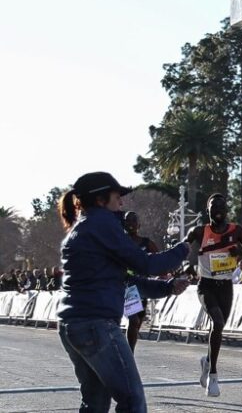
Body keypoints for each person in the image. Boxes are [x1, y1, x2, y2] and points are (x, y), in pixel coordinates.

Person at [56, 172, 189, 412]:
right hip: (96, 325)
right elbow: (146, 264)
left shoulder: (85, 228)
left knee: (95, 402)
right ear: (100, 199)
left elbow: (122, 281)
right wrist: (185, 247)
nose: (122, 202)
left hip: (73, 325)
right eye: (118, 196)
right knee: (132, 401)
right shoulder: (102, 223)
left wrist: (167, 287)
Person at [185, 194, 242, 397]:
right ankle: (213, 377)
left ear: (226, 210)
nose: (217, 209)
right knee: (216, 322)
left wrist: (240, 255)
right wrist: (180, 262)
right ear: (207, 210)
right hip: (206, 285)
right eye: (212, 206)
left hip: (226, 286)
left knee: (219, 326)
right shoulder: (199, 231)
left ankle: (207, 362)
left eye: (221, 206)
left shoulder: (237, 231)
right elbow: (181, 247)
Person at [123, 211, 161, 353]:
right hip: (126, 286)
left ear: (139, 225)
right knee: (134, 321)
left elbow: (159, 260)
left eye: (133, 221)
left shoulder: (146, 243)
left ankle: (128, 350)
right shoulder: (119, 241)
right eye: (127, 221)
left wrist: (166, 272)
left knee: (137, 322)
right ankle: (129, 355)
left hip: (142, 287)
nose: (130, 224)